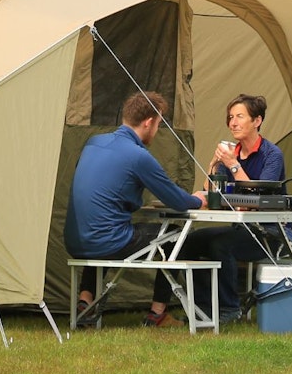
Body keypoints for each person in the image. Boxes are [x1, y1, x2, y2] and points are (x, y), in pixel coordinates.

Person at [64, 91, 209, 328]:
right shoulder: (138, 156)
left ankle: (86, 301)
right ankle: (157, 314)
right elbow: (178, 201)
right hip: (105, 241)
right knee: (173, 234)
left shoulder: (93, 143)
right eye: (159, 124)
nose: (157, 130)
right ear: (149, 122)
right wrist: (198, 199)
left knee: (102, 228)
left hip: (74, 240)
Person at [185, 93, 292, 323]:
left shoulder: (272, 155)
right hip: (243, 229)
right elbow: (212, 191)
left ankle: (229, 308)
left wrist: (233, 166)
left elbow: (259, 197)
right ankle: (203, 307)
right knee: (190, 241)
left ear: (257, 121)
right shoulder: (231, 154)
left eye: (240, 116)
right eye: (230, 117)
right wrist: (215, 163)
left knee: (220, 245)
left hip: (273, 232)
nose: (233, 123)